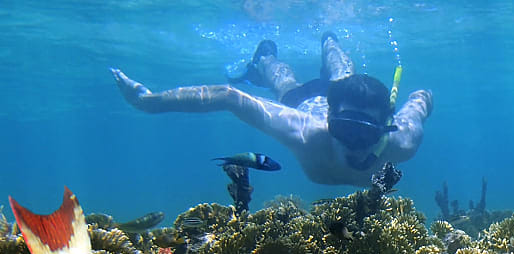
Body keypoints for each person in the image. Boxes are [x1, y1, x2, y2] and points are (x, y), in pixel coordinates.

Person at [111, 33, 432, 186]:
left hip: (343, 104)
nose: (354, 144)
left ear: (385, 128)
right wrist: (149, 103)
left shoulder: (402, 143)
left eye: (365, 133)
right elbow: (228, 96)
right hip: (304, 104)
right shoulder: (304, 132)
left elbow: (421, 98)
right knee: (289, 84)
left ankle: (327, 43)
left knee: (342, 75)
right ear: (330, 121)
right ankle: (278, 54)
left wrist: (424, 98)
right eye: (346, 129)